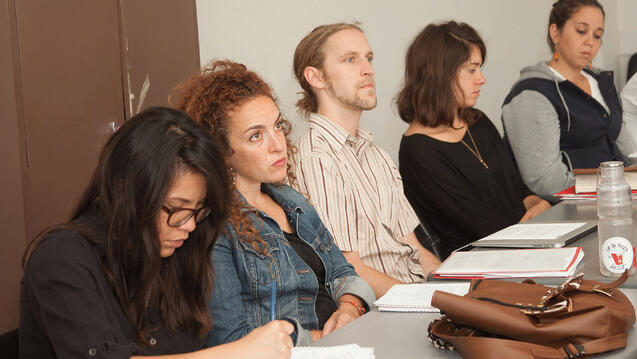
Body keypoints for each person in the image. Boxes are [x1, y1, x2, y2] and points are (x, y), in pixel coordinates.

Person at [19, 107, 294, 358]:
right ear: (126, 192)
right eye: (177, 209)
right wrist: (238, 352)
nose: (189, 225)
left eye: (198, 210)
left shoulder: (177, 255)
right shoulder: (62, 258)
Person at [172, 61, 375, 347]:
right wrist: (328, 339)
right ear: (221, 152)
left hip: (346, 343)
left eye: (277, 126)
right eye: (256, 136)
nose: (278, 143)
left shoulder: (291, 200)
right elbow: (232, 340)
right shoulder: (215, 226)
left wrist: (349, 309)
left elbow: (343, 274)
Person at [291, 22, 440, 297]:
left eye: (368, 58)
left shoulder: (376, 155)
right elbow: (348, 267)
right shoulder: (315, 158)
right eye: (350, 59)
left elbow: (414, 249)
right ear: (316, 77)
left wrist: (457, 290)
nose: (368, 69)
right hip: (383, 312)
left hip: (417, 297)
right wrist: (429, 300)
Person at [395, 21, 551, 260]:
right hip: (483, 262)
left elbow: (517, 189)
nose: (481, 79)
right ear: (440, 74)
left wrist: (537, 203)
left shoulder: (477, 122)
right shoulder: (417, 150)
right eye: (472, 70)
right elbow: (481, 226)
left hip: (526, 243)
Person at [502, 0, 637, 199]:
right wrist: (618, 187)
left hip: (616, 196)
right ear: (555, 32)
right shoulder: (533, 94)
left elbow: (626, 153)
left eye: (597, 35)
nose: (590, 41)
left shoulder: (602, 82)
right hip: (573, 205)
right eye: (581, 31)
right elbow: (548, 183)